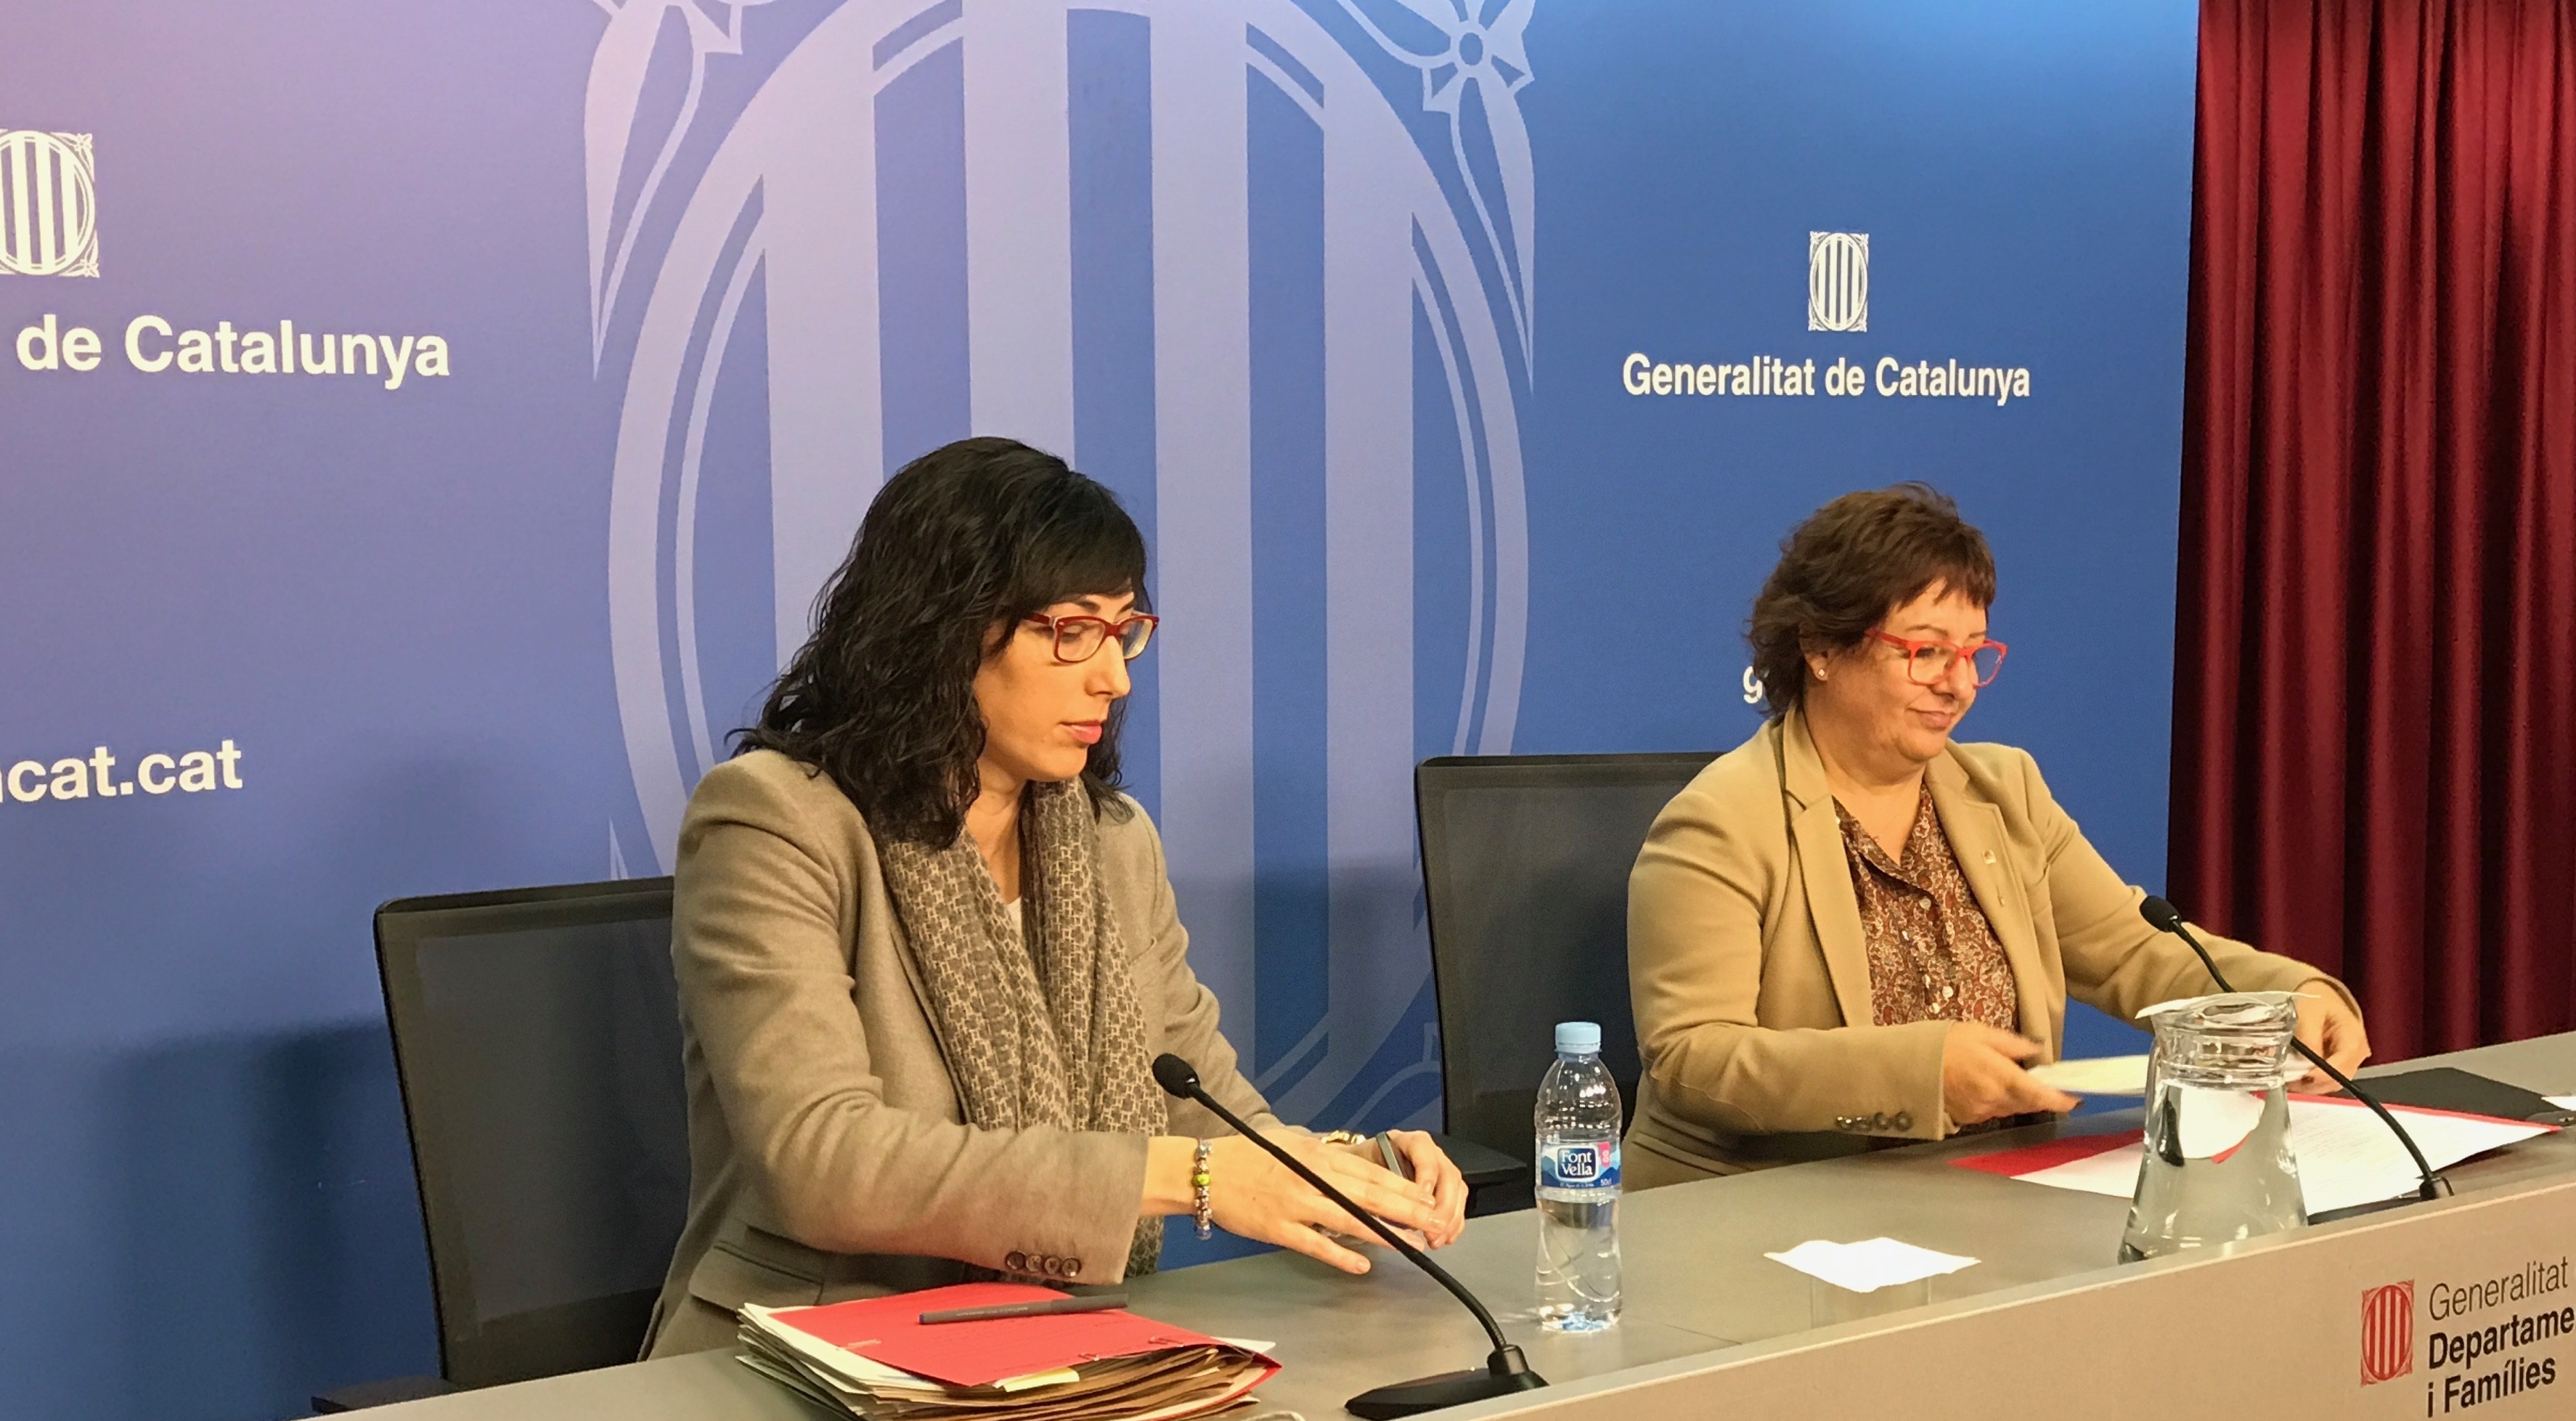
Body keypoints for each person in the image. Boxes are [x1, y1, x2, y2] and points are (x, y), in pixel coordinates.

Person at [642, 438, 1465, 1359]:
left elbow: (1193, 1093)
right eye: (1071, 632)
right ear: (943, 629)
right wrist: (1194, 1176)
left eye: (1124, 632)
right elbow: (822, 1160)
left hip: (1051, 1347)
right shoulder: (773, 820)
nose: (1114, 679)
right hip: (803, 1355)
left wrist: (1341, 1170)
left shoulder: (1113, 841)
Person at [1624, 484, 2365, 1189]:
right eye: (1926, 652)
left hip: (1991, 1193)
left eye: (1973, 653)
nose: (1959, 685)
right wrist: (1918, 1074)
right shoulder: (1723, 821)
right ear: (1821, 648)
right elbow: (1694, 1057)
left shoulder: (2004, 791)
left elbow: (2133, 952)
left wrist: (2284, 999)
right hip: (1772, 1205)